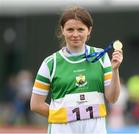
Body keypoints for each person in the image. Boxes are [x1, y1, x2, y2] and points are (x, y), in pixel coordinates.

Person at [30, 6, 123, 134]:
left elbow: (112, 98)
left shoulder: (101, 57)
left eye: (80, 29)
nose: (75, 34)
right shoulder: (51, 63)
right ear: (62, 30)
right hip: (62, 129)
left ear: (89, 30)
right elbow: (35, 105)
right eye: (70, 29)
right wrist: (65, 116)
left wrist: (115, 70)